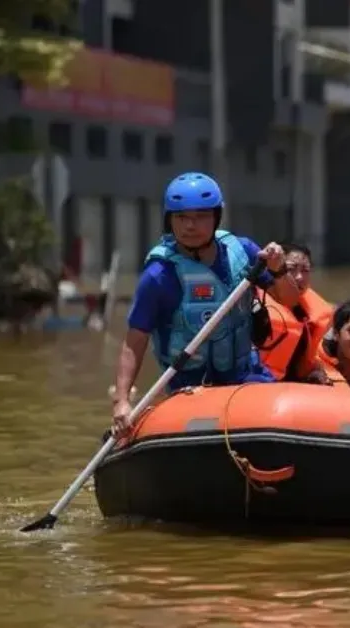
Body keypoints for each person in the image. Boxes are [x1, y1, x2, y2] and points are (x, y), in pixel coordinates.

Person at [111, 172, 300, 436]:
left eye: (200, 216)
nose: (190, 225)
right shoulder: (159, 275)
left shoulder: (243, 251)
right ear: (170, 220)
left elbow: (290, 299)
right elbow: (135, 340)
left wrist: (279, 270)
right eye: (181, 217)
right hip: (190, 387)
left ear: (216, 217)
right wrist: (121, 400)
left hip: (245, 376)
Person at [259, 244, 334, 382]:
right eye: (291, 268)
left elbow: (306, 361)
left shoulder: (306, 313)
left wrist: (313, 372)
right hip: (257, 384)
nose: (299, 277)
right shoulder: (255, 306)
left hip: (292, 389)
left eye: (305, 270)